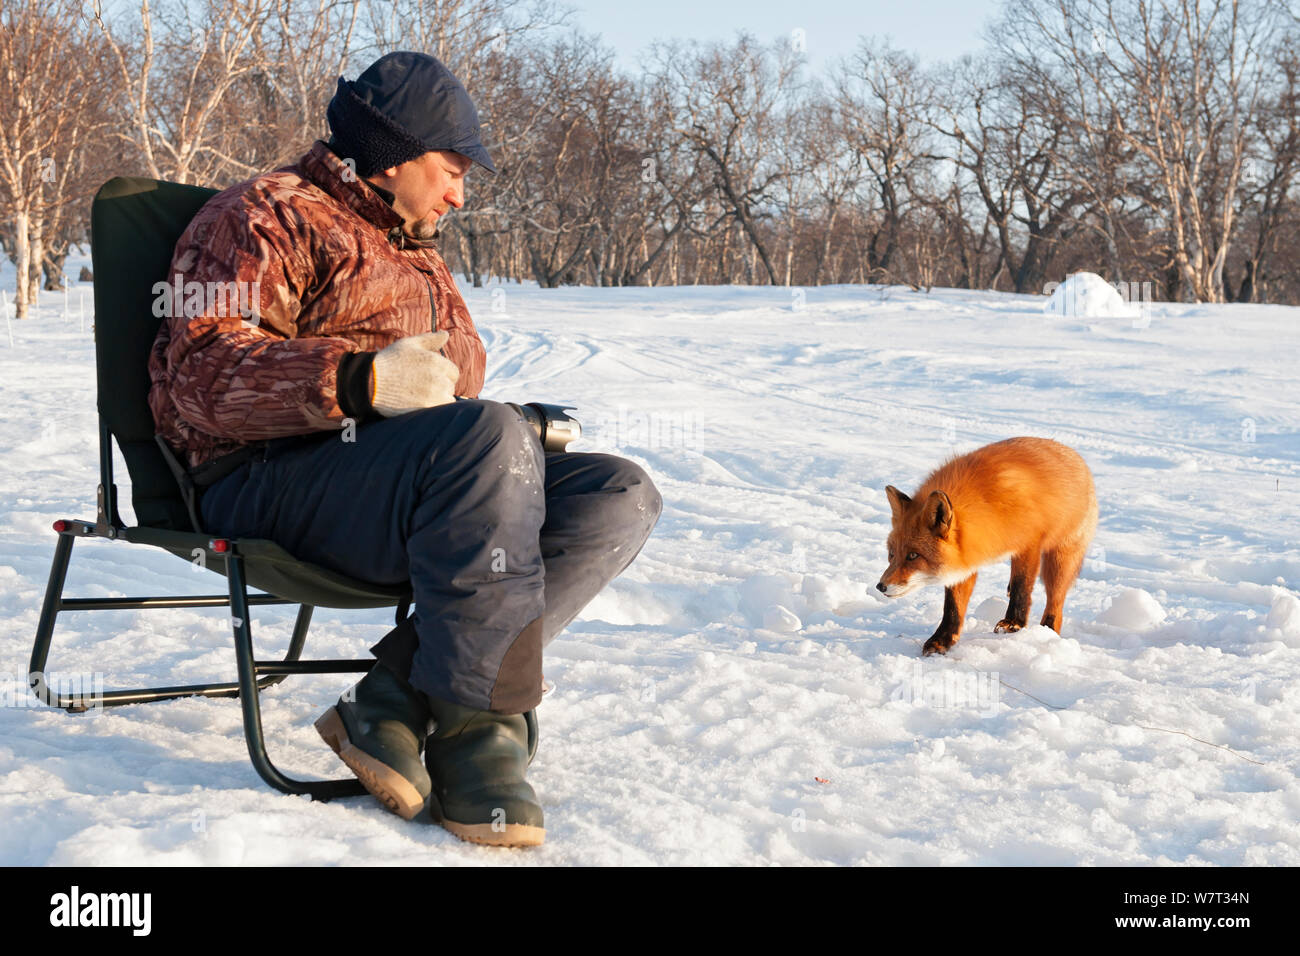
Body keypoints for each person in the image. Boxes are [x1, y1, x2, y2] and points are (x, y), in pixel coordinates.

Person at [147, 51, 662, 848]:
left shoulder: (415, 245)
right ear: (391, 158)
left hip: (407, 481)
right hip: (262, 479)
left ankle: (395, 697)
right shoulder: (261, 215)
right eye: (453, 167)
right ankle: (483, 732)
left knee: (617, 492)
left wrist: (481, 421)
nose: (461, 192)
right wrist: (356, 384)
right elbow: (202, 374)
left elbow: (454, 378)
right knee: (487, 435)